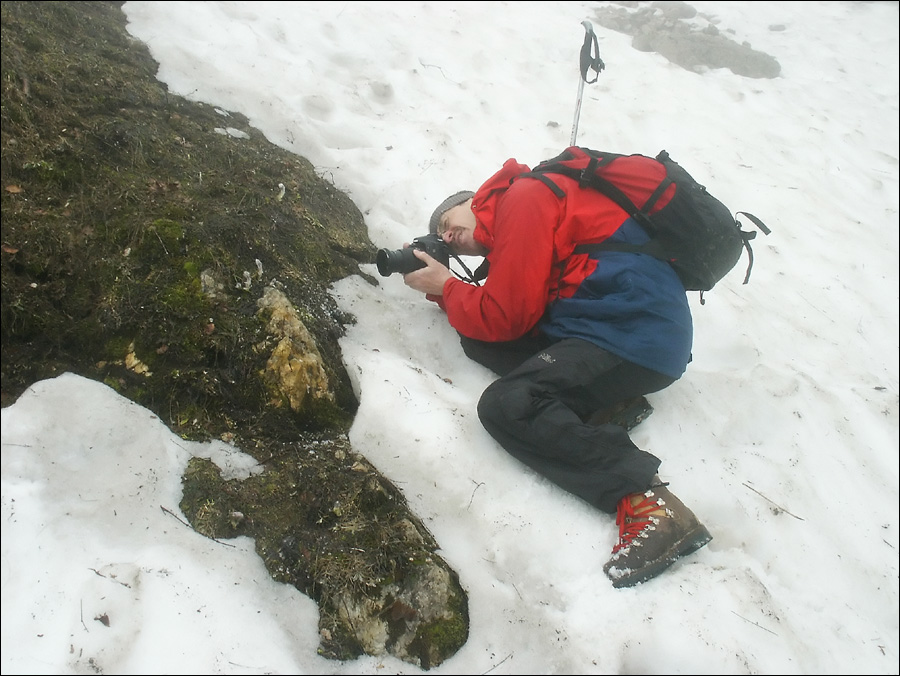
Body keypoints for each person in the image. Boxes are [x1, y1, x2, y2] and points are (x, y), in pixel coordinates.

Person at [401, 152, 712, 588]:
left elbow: (506, 316)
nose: (447, 235)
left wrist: (448, 287)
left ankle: (651, 505)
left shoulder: (523, 198)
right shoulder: (526, 212)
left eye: (449, 220)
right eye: (440, 236)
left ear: (478, 199)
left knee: (508, 404)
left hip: (632, 330)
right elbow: (503, 319)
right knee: (479, 339)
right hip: (612, 324)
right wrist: (446, 291)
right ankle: (605, 406)